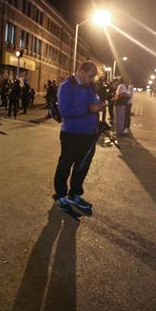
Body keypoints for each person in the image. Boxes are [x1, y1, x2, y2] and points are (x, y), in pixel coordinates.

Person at [52, 62, 105, 216]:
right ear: (81, 71)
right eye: (90, 76)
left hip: (89, 134)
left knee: (82, 166)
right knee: (65, 165)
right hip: (71, 133)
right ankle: (61, 195)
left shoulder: (90, 87)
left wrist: (99, 106)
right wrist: (89, 109)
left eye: (93, 77)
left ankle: (75, 194)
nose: (92, 79)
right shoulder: (67, 86)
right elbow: (65, 111)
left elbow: (94, 103)